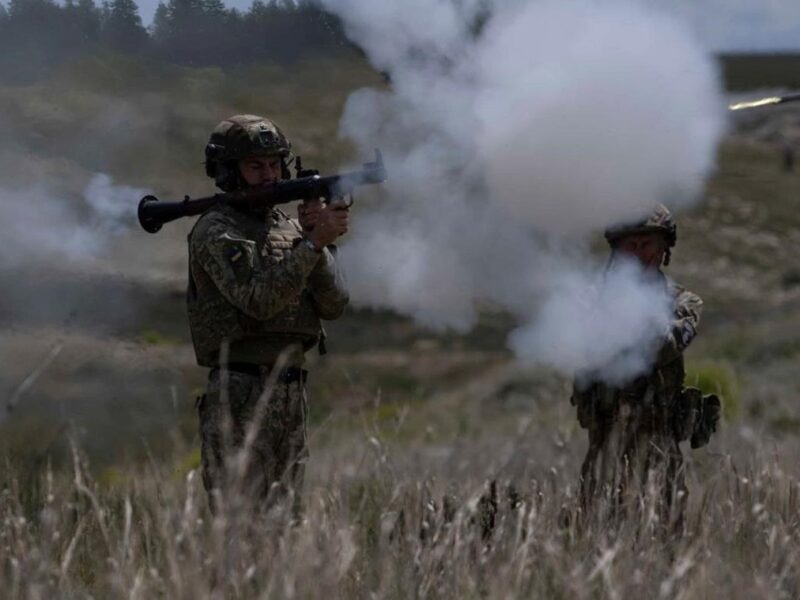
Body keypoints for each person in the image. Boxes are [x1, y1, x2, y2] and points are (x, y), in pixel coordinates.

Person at [188, 114, 350, 516]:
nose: (269, 175)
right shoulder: (216, 230)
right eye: (255, 166)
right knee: (239, 524)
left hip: (291, 391)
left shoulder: (291, 230)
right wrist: (312, 244)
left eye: (275, 164)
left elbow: (334, 304)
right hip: (240, 391)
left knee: (285, 522)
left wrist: (320, 245)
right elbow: (258, 300)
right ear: (229, 172)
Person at [571, 204, 720, 533]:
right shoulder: (589, 298)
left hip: (660, 448)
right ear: (617, 251)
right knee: (594, 539)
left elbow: (666, 345)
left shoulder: (683, 302)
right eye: (631, 246)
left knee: (665, 539)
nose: (639, 254)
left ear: (664, 247)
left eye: (648, 244)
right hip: (605, 444)